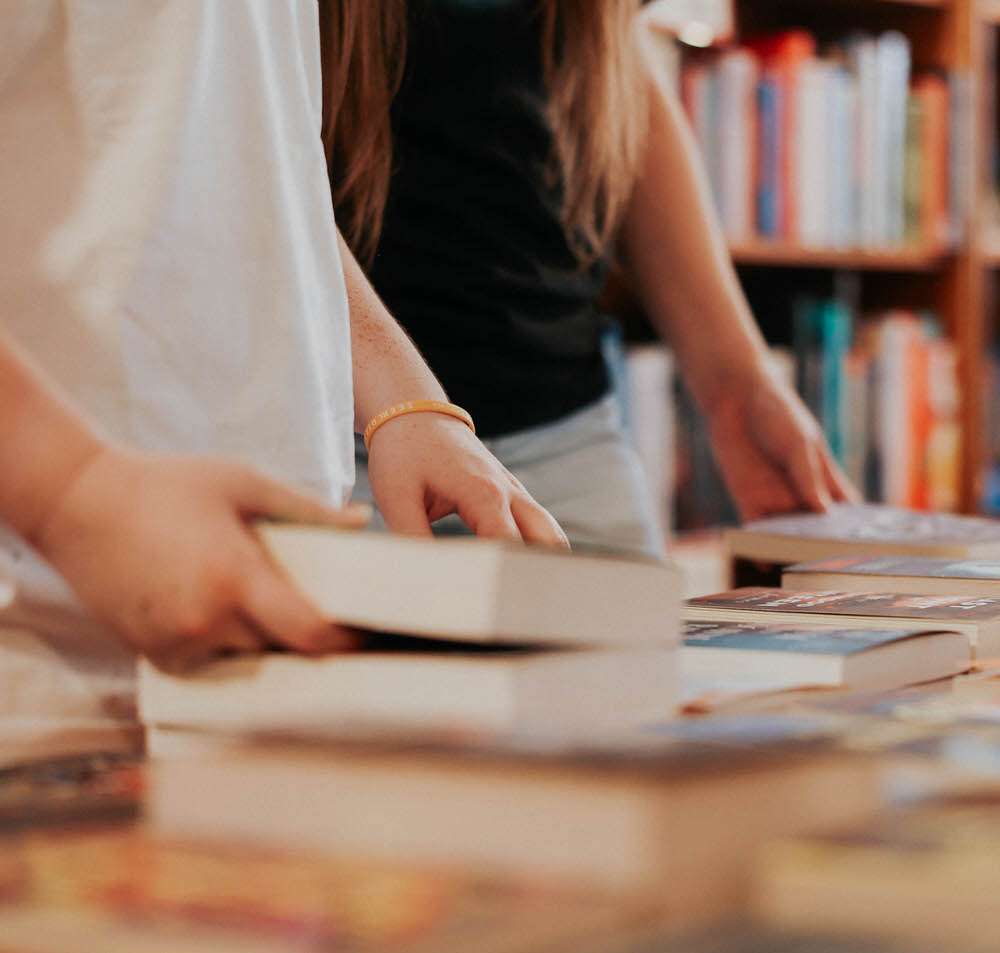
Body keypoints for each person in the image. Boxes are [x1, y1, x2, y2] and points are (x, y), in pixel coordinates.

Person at [0, 1, 562, 720]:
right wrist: (75, 496)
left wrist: (403, 395)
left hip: (254, 632)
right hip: (42, 662)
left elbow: (223, 140)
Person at [322, 0, 857, 560]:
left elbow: (611, 63)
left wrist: (738, 385)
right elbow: (260, 160)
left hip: (571, 443)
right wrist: (408, 407)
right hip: (354, 453)